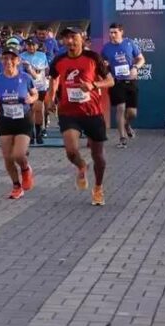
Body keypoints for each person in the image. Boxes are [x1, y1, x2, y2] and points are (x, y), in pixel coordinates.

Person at [47, 27, 115, 206]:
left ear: (82, 38)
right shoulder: (59, 60)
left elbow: (110, 81)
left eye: (73, 37)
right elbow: (53, 79)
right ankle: (81, 166)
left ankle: (98, 188)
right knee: (70, 151)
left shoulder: (93, 58)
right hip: (68, 112)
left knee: (98, 154)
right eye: (66, 38)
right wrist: (50, 96)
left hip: (92, 112)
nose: (70, 41)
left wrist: (93, 85)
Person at [0, 46, 37, 200]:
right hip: (6, 119)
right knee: (8, 157)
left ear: (18, 60)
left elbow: (35, 94)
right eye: (5, 58)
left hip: (23, 119)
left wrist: (31, 99)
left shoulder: (25, 78)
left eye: (12, 58)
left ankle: (26, 168)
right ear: (2, 60)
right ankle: (16, 186)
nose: (8, 61)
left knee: (19, 154)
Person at [101, 23, 145, 148]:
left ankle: (127, 124)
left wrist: (135, 67)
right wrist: (106, 68)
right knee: (120, 108)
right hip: (116, 82)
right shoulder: (106, 48)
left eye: (115, 32)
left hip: (130, 81)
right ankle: (122, 138)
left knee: (132, 113)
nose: (112, 35)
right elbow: (102, 65)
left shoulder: (129, 43)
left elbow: (141, 59)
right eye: (110, 32)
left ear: (121, 32)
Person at [20, 38, 50, 144]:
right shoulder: (21, 56)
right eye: (29, 45)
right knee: (30, 111)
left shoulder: (42, 55)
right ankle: (31, 133)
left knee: (38, 109)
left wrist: (47, 77)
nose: (31, 47)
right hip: (27, 87)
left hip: (41, 86)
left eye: (33, 45)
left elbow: (46, 69)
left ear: (37, 46)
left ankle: (38, 132)